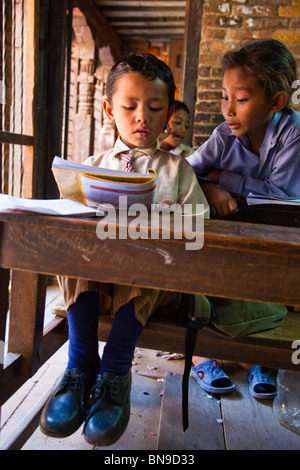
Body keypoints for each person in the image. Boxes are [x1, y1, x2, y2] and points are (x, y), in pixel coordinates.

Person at [39, 53, 209, 446]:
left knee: (147, 255)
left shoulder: (178, 171)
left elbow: (201, 231)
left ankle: (115, 371)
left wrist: (163, 228)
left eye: (154, 108)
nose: (142, 118)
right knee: (77, 240)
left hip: (156, 290)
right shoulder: (92, 166)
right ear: (108, 109)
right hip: (96, 289)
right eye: (129, 106)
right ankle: (80, 365)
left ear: (169, 111)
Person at [187, 39, 300, 398]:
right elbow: (186, 173)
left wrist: (227, 180)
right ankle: (203, 353)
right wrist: (208, 189)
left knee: (266, 298)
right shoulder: (224, 135)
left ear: (277, 102)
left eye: (241, 99)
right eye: (224, 97)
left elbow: (282, 197)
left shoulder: (294, 133)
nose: (228, 110)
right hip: (231, 243)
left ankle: (257, 358)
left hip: (278, 243)